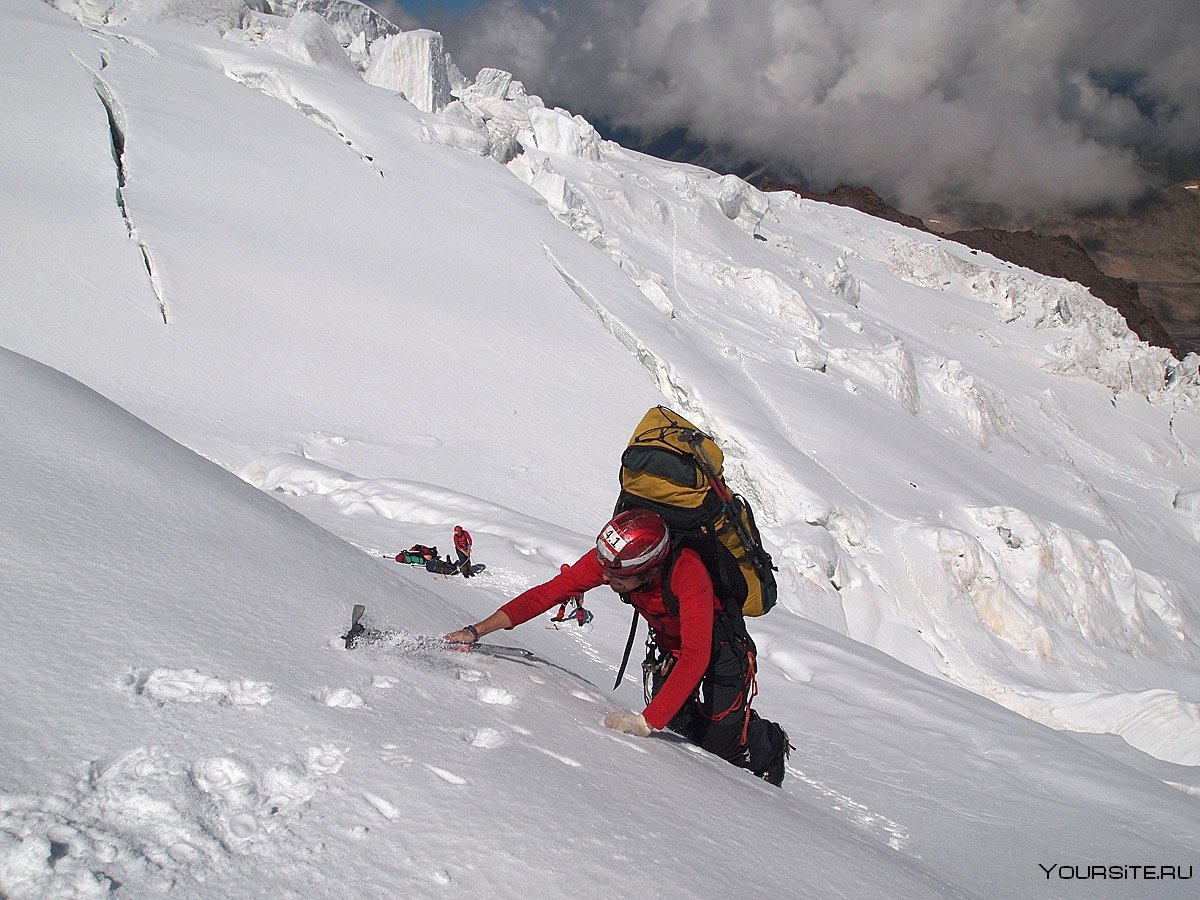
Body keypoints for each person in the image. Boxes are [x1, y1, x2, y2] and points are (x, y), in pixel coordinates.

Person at [444, 509, 790, 785]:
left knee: (719, 748)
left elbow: (699, 656)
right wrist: (477, 630)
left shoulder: (688, 574)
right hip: (673, 649)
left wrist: (646, 722)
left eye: (617, 579)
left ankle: (767, 742)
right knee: (680, 728)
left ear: (649, 570)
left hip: (720, 650)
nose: (605, 579)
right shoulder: (614, 563)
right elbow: (549, 593)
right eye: (605, 572)